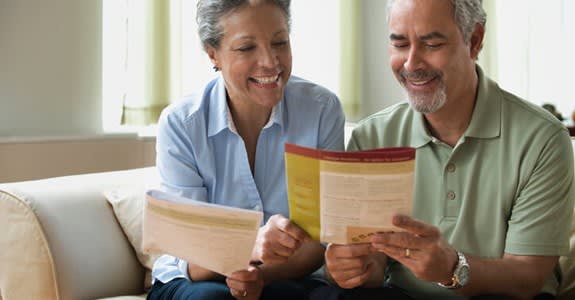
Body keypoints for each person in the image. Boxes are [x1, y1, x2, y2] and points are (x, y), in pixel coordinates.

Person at [318, 0, 575, 299]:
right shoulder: (372, 136)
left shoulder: (542, 139)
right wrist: (352, 267)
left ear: (475, 40)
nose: (411, 64)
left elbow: (527, 277)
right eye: (400, 44)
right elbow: (373, 267)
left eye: (432, 44)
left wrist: (452, 267)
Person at [147, 0, 345, 299]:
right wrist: (248, 248)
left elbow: (318, 244)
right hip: (197, 278)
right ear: (213, 54)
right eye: (246, 48)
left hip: (286, 274)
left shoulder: (321, 110)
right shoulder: (181, 124)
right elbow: (192, 260)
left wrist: (260, 274)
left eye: (280, 42)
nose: (270, 61)